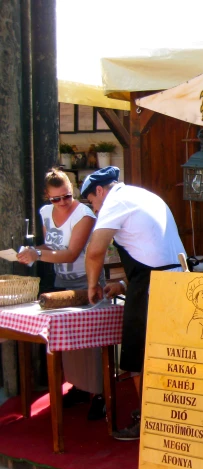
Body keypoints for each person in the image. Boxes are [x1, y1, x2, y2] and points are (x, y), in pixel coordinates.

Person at [82, 166, 185, 440]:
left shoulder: (115, 200)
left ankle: (151, 424)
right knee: (171, 355)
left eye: (92, 201)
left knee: (139, 358)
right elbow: (154, 251)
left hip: (155, 287)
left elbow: (94, 252)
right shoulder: (142, 195)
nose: (94, 209)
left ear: (100, 191)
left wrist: (91, 286)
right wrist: (125, 285)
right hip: (174, 279)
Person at [17, 168, 106, 420]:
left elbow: (71, 252)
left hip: (85, 279)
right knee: (67, 337)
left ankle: (99, 394)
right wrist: (32, 250)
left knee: (90, 337)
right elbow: (52, 246)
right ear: (48, 197)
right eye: (56, 199)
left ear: (72, 190)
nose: (63, 203)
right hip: (61, 279)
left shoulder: (84, 214)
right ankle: (78, 386)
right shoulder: (46, 213)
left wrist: (38, 254)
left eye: (66, 196)